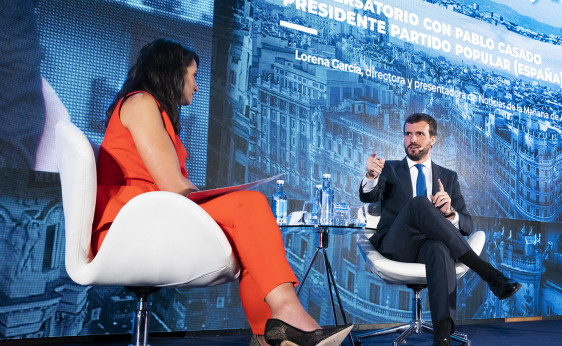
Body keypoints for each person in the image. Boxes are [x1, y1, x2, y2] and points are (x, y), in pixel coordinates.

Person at [92, 38, 352, 346]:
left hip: (153, 216)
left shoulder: (148, 108)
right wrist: (227, 200)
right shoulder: (141, 102)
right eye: (193, 75)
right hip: (132, 225)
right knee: (252, 204)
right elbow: (174, 187)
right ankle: (288, 314)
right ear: (172, 73)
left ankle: (270, 337)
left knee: (250, 239)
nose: (197, 86)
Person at [359, 113, 521, 346]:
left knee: (437, 248)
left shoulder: (449, 177)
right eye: (407, 134)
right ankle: (489, 273)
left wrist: (450, 214)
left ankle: (442, 337)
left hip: (429, 246)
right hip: (396, 245)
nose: (411, 139)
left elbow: (466, 225)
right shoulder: (389, 169)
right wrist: (371, 176)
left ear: (433, 139)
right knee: (419, 204)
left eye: (419, 134)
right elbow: (368, 196)